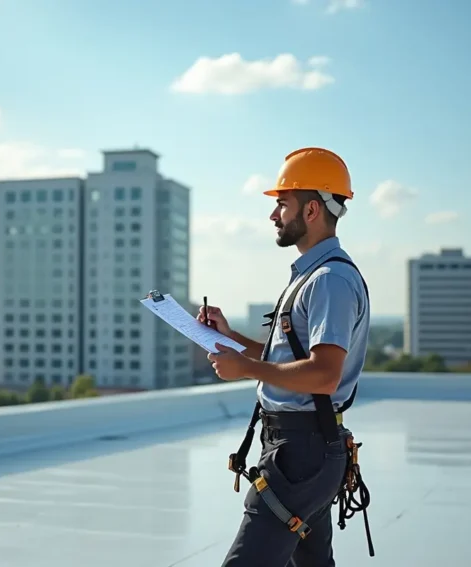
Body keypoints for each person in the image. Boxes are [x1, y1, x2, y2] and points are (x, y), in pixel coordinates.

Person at [197, 147, 371, 567]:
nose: (274, 215)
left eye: (282, 204)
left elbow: (324, 375)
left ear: (311, 210)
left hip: (301, 452)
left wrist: (246, 370)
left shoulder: (329, 280)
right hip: (302, 448)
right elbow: (287, 358)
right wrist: (232, 340)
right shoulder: (313, 276)